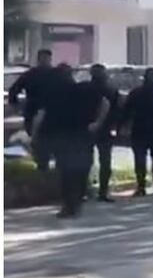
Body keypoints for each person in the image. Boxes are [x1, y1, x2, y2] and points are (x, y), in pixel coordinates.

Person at [33, 64, 110, 218]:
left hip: (63, 136)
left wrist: (35, 135)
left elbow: (40, 115)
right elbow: (105, 103)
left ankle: (70, 204)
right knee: (81, 168)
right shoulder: (85, 89)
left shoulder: (52, 93)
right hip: (82, 135)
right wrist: (97, 123)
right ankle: (77, 200)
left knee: (66, 171)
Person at [121, 67, 153, 196]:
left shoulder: (137, 93)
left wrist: (122, 125)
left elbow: (126, 111)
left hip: (141, 129)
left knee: (142, 159)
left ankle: (142, 186)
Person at [10, 49, 59, 171]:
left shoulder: (31, 74)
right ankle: (47, 168)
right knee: (47, 143)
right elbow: (13, 91)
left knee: (39, 143)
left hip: (37, 113)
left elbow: (13, 91)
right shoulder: (55, 74)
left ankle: (43, 167)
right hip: (51, 114)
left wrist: (16, 106)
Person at [87, 64, 121, 202]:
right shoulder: (111, 90)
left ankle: (84, 190)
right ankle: (103, 192)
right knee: (105, 162)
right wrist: (117, 126)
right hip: (105, 129)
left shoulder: (84, 89)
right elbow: (118, 111)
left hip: (86, 128)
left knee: (84, 160)